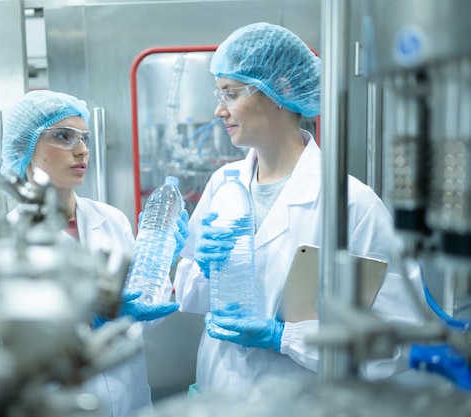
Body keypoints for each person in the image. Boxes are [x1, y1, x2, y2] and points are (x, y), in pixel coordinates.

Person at [173, 22, 427, 397]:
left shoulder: (350, 203)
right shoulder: (224, 184)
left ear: (282, 90)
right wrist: (202, 270)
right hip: (218, 393)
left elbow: (396, 340)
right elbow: (188, 294)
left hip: (299, 400)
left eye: (231, 94)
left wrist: (285, 338)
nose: (218, 111)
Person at [0, 89, 187, 417]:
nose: (82, 150)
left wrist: (162, 258)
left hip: (130, 402)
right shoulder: (4, 244)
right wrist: (88, 319)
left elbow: (142, 317)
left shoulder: (111, 219)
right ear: (25, 147)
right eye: (63, 137)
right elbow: (1, 354)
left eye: (84, 138)